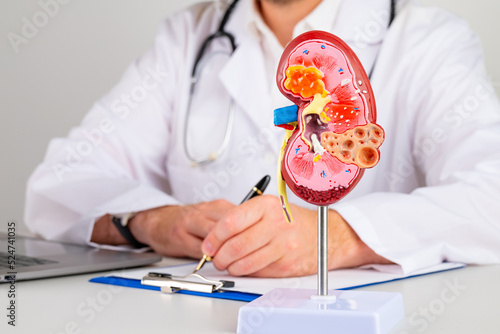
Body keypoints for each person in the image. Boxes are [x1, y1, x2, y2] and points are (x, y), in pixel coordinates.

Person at [25, 0, 500, 278]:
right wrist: (150, 222)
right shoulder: (191, 37)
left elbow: (491, 194)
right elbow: (58, 183)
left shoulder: (426, 41)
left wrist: (340, 236)